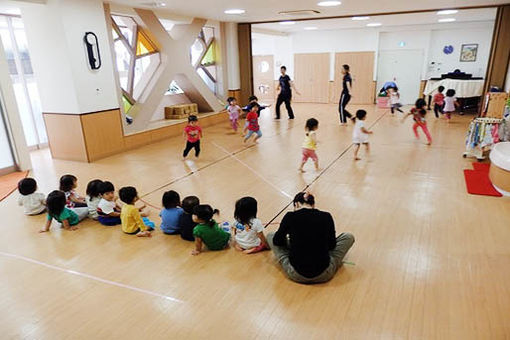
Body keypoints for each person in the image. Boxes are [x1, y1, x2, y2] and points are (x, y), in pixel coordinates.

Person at [266, 192, 355, 284]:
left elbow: (277, 241)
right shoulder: (326, 216)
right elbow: (332, 246)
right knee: (348, 236)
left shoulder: (290, 216)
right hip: (325, 274)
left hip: (295, 273)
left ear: (296, 204)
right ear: (313, 204)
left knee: (271, 235)